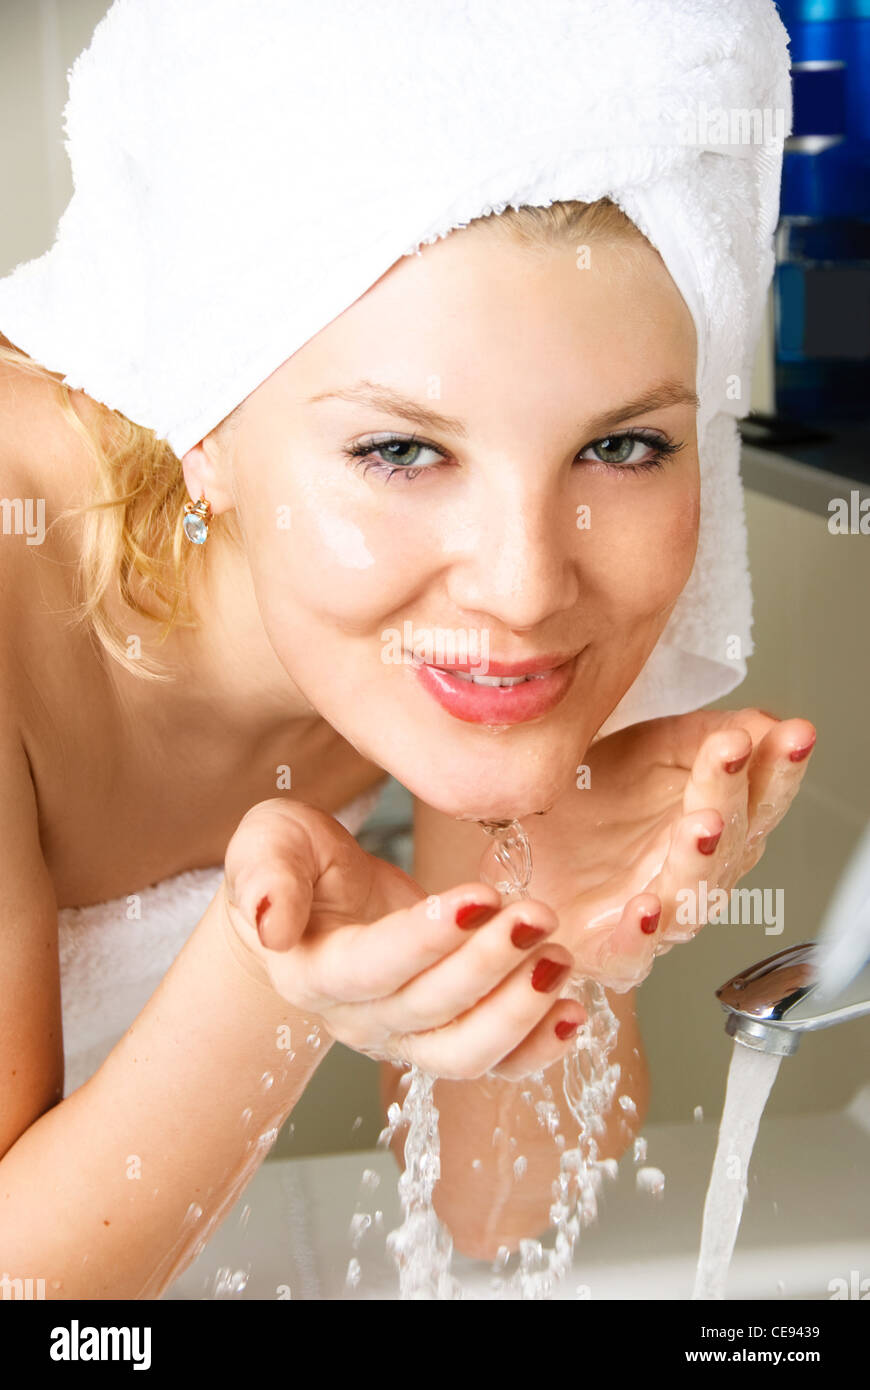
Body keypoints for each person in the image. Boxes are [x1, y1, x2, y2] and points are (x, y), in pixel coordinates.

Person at [0, 0, 810, 1296]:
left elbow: (491, 1211)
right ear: (197, 412)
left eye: (622, 445)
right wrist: (275, 976)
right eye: (400, 450)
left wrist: (546, 911)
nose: (525, 584)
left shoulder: (471, 632)